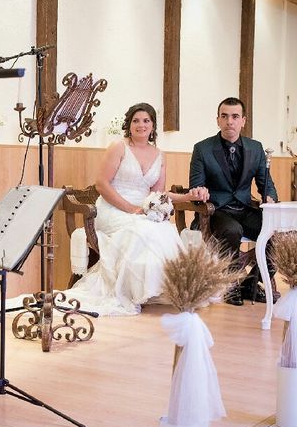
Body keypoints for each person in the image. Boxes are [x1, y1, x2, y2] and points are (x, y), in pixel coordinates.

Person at [61, 103, 209, 315]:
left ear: (152, 125)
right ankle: (134, 290)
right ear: (129, 125)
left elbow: (158, 194)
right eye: (136, 121)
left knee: (164, 230)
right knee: (140, 230)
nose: (141, 125)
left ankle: (160, 290)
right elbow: (102, 184)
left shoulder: (160, 155)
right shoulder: (119, 147)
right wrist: (130, 208)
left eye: (146, 120)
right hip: (113, 208)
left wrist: (187, 196)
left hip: (142, 210)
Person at [189, 97, 278, 306]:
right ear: (218, 120)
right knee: (232, 230)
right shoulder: (202, 148)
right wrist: (199, 191)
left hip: (245, 208)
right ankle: (231, 284)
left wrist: (271, 197)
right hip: (216, 211)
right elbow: (195, 183)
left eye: (235, 116)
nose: (230, 121)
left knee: (280, 233)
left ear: (243, 121)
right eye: (225, 116)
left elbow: (267, 183)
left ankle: (251, 282)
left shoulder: (256, 148)